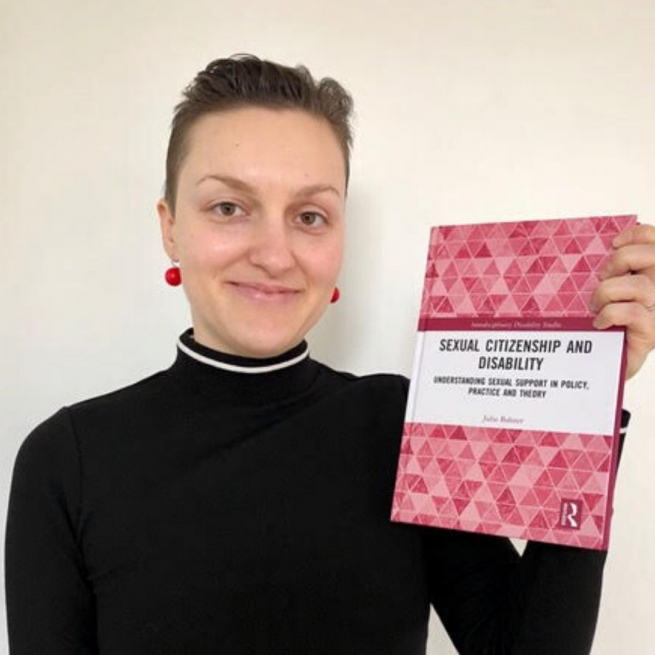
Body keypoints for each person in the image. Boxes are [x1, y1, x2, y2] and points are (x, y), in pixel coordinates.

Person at [4, 55, 655, 655]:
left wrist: (588, 391)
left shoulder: (404, 423)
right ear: (170, 225)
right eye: (229, 206)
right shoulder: (67, 461)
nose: (274, 252)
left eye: (310, 215)